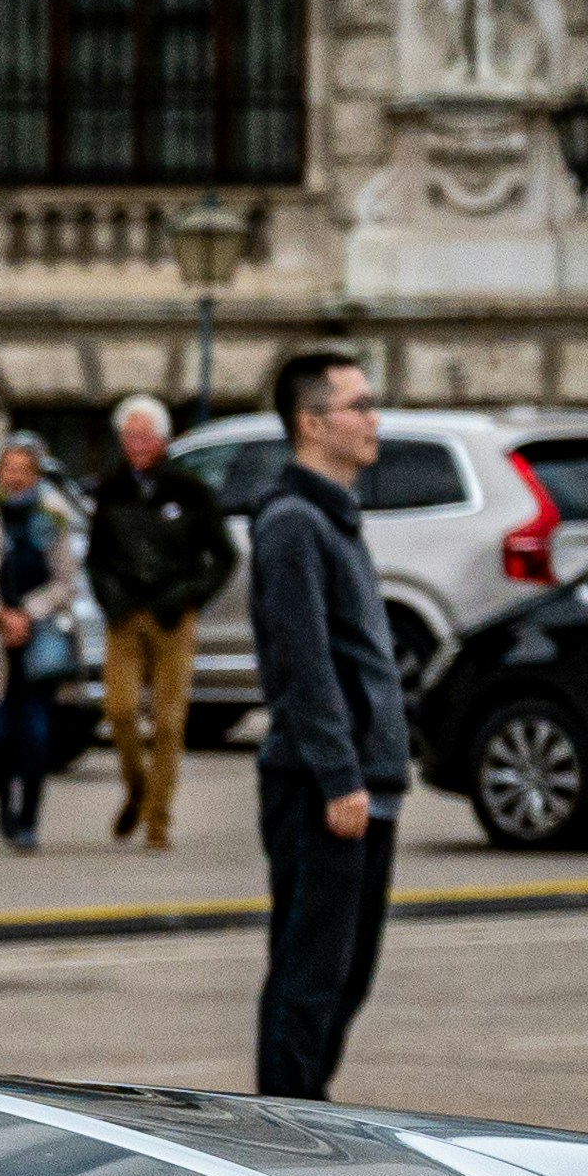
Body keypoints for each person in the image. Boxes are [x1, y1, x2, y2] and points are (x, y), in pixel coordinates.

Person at [247, 349, 411, 1102]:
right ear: (313, 424)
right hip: (323, 789)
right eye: (360, 404)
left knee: (348, 976)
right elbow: (305, 665)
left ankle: (306, 1113)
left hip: (364, 784)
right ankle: (285, 1133)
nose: (375, 419)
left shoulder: (334, 519)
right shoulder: (293, 524)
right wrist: (339, 775)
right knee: (310, 979)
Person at [80, 392, 237, 852]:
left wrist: (188, 596)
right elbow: (97, 559)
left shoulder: (190, 490)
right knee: (120, 711)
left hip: (173, 615)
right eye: (130, 435)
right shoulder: (111, 490)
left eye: (147, 435)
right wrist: (112, 600)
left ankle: (158, 820)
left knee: (169, 722)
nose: (138, 443)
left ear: (163, 439)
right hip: (126, 614)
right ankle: (137, 789)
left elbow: (222, 558)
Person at [0, 433, 91, 853]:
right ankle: (3, 807)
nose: (15, 477)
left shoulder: (53, 516)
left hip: (38, 641)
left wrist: (28, 613)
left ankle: (29, 816)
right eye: (8, 468)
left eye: (23, 470)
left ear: (35, 474)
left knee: (34, 734)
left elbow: (65, 583)